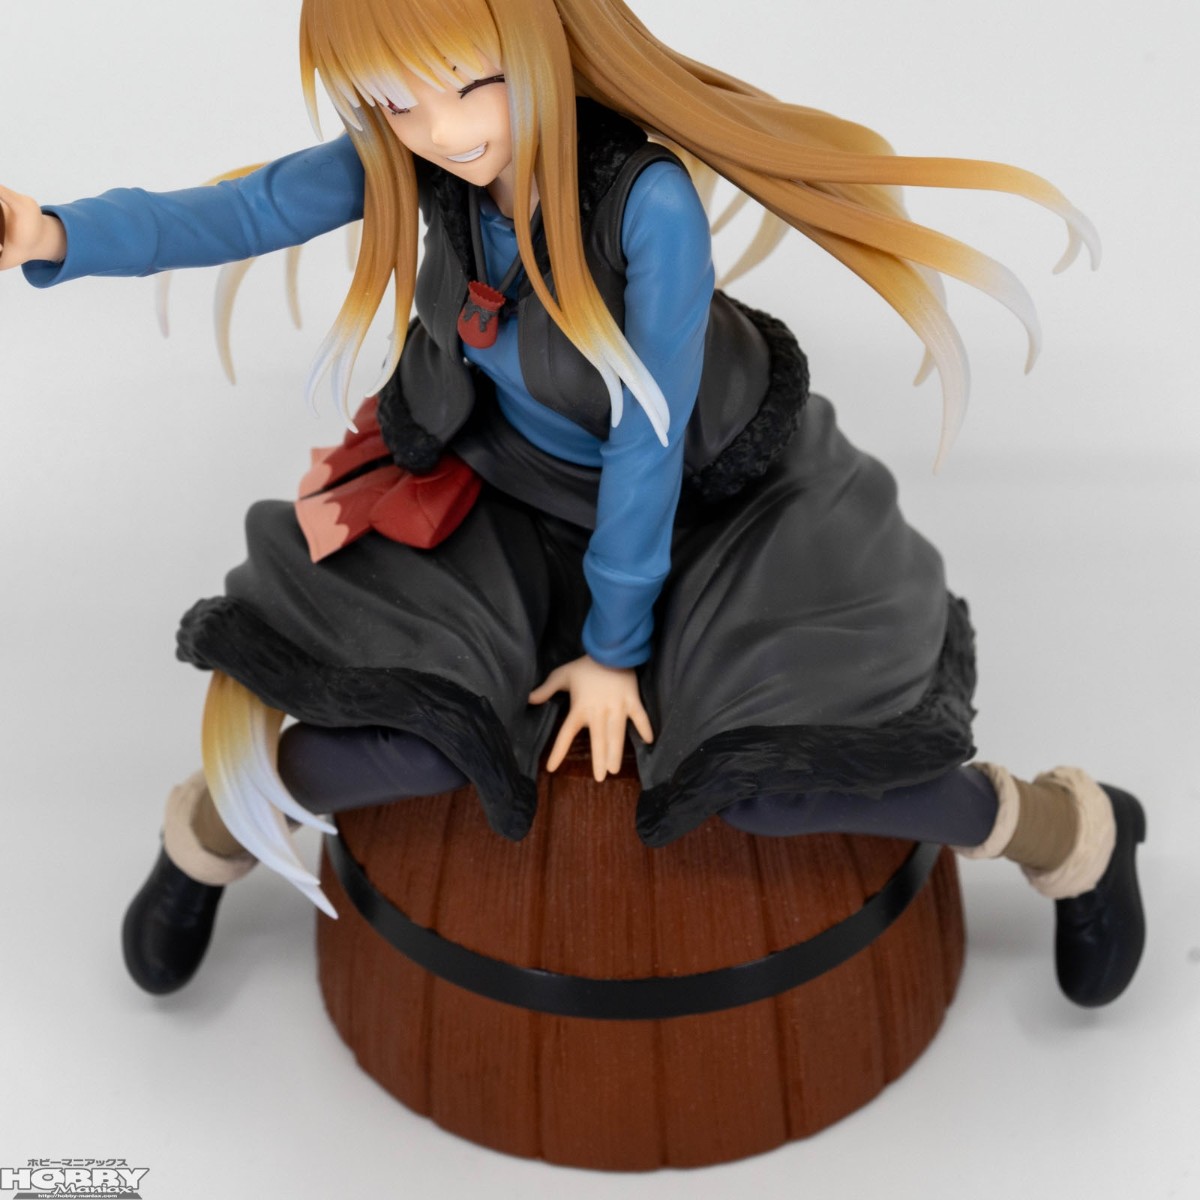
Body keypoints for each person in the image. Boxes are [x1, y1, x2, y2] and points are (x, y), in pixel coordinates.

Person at [0, 0, 1144, 1006]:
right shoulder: (412, 161)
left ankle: (1068, 832)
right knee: (413, 723)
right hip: (507, 481)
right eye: (399, 101)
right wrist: (54, 232)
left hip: (719, 505)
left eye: (472, 83)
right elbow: (246, 211)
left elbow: (650, 438)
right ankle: (209, 831)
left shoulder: (645, 204)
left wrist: (611, 649)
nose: (442, 130)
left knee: (772, 780)